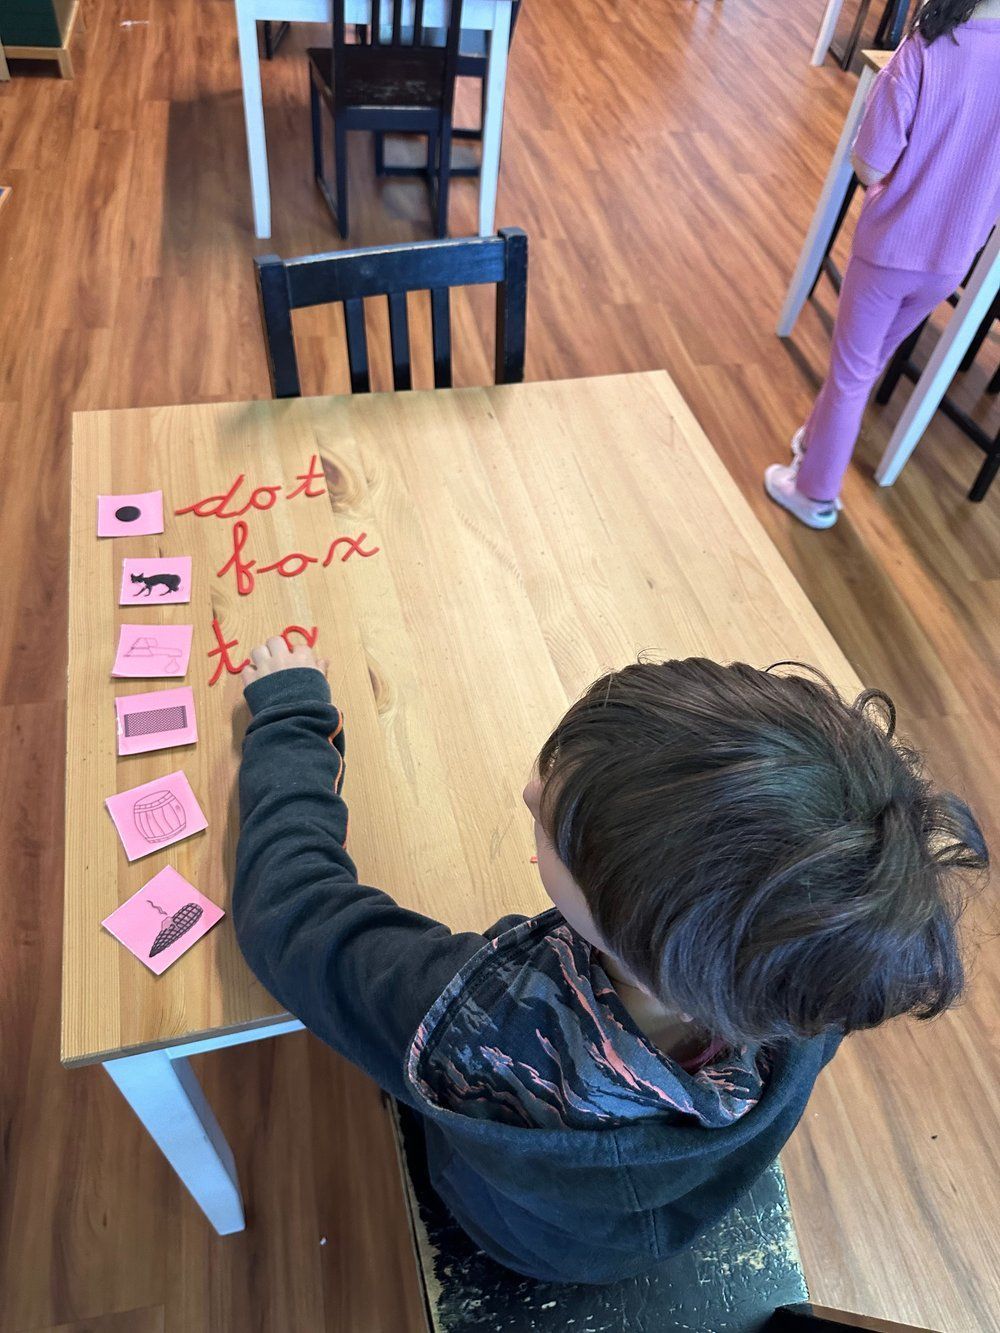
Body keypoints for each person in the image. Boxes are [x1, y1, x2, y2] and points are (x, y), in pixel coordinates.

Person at [233, 639, 986, 1284]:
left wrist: (290, 713)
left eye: (554, 828)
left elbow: (289, 907)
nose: (531, 787)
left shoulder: (478, 1024)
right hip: (649, 1211)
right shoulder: (817, 959)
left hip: (518, 1234)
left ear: (635, 940)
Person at [767, 0, 1000, 528]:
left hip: (890, 249)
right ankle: (816, 437)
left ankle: (815, 493)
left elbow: (871, 162)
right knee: (867, 364)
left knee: (852, 371)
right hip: (950, 262)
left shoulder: (926, 47)